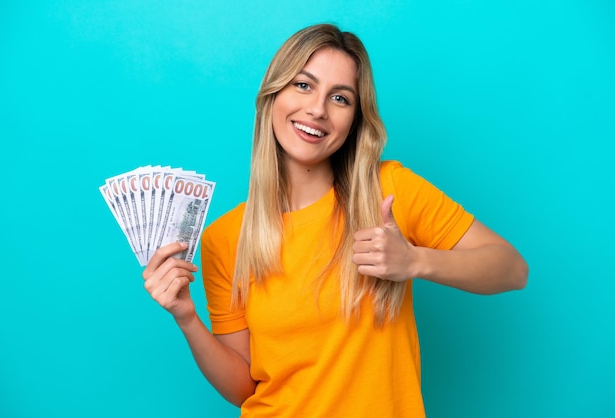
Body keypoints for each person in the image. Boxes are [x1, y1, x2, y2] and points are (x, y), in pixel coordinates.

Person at [141, 23, 528, 417]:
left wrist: (415, 261)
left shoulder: (390, 190)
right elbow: (244, 387)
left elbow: (512, 269)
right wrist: (187, 317)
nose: (317, 109)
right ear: (273, 95)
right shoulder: (224, 237)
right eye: (303, 85)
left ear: (356, 119)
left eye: (340, 98)